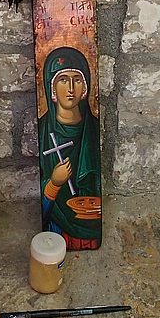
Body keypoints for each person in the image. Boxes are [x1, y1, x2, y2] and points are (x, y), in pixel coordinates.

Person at [37, 46, 101, 250]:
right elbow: (42, 207)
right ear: (52, 88)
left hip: (91, 225)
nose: (71, 88)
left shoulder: (93, 129)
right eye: (63, 80)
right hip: (57, 227)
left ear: (85, 87)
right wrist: (54, 183)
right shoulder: (43, 132)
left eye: (77, 80)